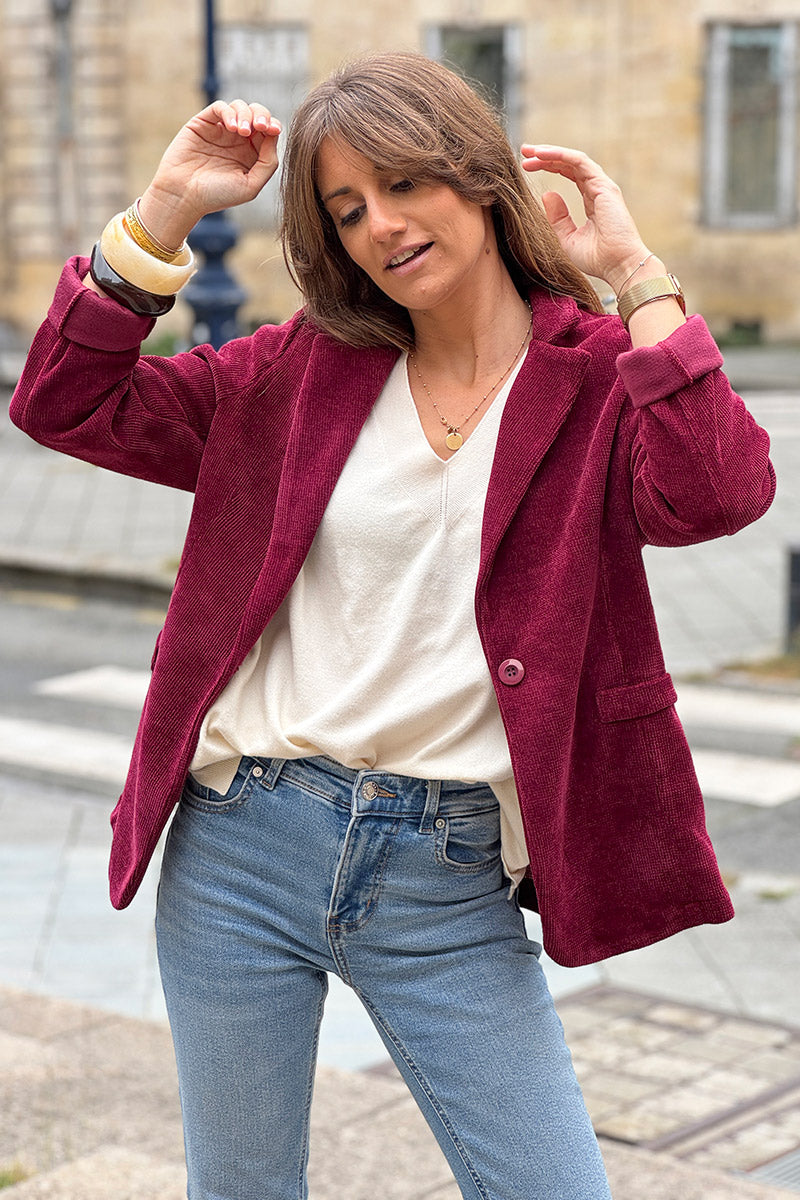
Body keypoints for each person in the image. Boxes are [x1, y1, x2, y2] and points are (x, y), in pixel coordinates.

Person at [12, 50, 774, 1200]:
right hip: (239, 849)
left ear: (473, 175)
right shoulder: (297, 373)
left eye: (404, 185)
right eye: (346, 207)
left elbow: (716, 493)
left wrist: (633, 275)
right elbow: (65, 403)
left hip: (444, 873)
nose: (381, 225)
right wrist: (162, 212)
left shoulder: (596, 377)